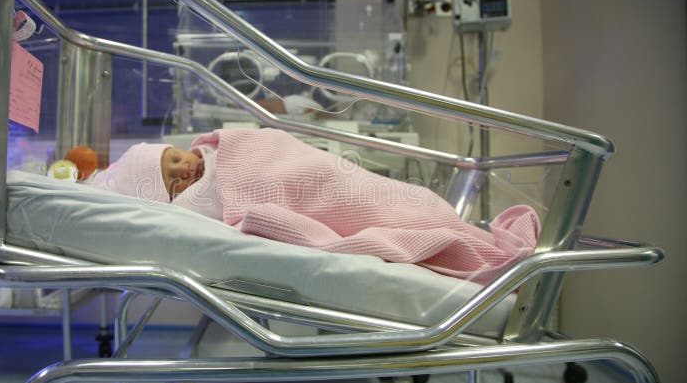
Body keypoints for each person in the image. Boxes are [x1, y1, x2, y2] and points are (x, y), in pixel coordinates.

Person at [92, 128, 540, 283]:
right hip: (325, 205)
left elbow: (281, 152)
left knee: (407, 200)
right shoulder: (206, 207)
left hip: (327, 181)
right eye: (172, 181)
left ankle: (475, 240)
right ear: (170, 199)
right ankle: (483, 251)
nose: (183, 171)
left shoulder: (225, 148)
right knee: (399, 216)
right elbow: (271, 218)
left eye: (175, 159)